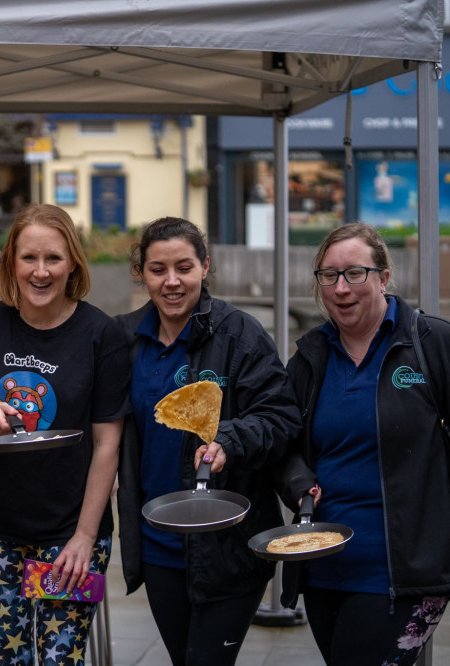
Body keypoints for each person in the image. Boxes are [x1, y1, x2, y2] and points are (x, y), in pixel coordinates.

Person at [277, 222, 450, 665]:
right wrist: (298, 481)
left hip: (410, 570)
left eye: (355, 273)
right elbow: (283, 445)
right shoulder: (310, 358)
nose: (341, 288)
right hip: (325, 567)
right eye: (328, 276)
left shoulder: (437, 346)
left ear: (384, 277)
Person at [114, 216, 302, 666]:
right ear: (141, 273)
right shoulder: (123, 338)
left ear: (205, 266)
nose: (172, 281)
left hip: (228, 544)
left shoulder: (240, 334)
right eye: (158, 269)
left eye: (184, 267)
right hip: (158, 540)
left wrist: (230, 439)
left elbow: (281, 417)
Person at [0, 204, 130, 665]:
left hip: (70, 535)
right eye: (29, 258)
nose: (41, 271)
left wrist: (85, 537)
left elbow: (108, 444)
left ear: (73, 262)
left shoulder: (100, 333)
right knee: (8, 659)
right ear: (11, 261)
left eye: (53, 258)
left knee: (58, 660)